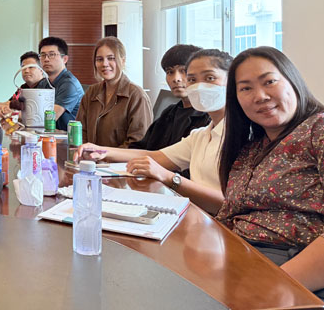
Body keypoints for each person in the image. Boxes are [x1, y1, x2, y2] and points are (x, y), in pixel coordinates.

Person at [178, 47, 324, 310]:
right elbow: (231, 212)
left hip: (307, 285)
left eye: (269, 81)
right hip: (246, 268)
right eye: (246, 88)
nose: (260, 96)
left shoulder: (322, 130)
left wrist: (265, 286)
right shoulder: (251, 147)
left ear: (292, 81)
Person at [79, 49, 232, 213]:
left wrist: (169, 177)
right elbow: (155, 156)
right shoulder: (200, 135)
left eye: (210, 78)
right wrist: (101, 151)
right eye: (193, 79)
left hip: (215, 221)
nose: (199, 86)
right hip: (192, 213)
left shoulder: (241, 136)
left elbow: (230, 204)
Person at [76, 36, 153, 148]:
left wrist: (103, 155)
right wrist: (84, 152)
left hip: (121, 159)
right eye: (99, 59)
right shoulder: (91, 92)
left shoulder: (136, 96)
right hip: (89, 158)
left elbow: (138, 144)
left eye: (111, 58)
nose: (105, 64)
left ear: (123, 60)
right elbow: (80, 131)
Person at [37, 36, 84, 130]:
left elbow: (48, 120)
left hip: (70, 137)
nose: (46, 59)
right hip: (51, 134)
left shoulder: (69, 84)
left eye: (52, 54)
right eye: (43, 55)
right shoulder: (44, 83)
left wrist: (17, 115)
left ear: (65, 59)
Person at [0, 51, 53, 115]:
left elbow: (30, 112)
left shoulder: (46, 87)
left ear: (41, 70)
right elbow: (9, 104)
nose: (26, 71)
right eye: (23, 67)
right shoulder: (24, 87)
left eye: (31, 67)